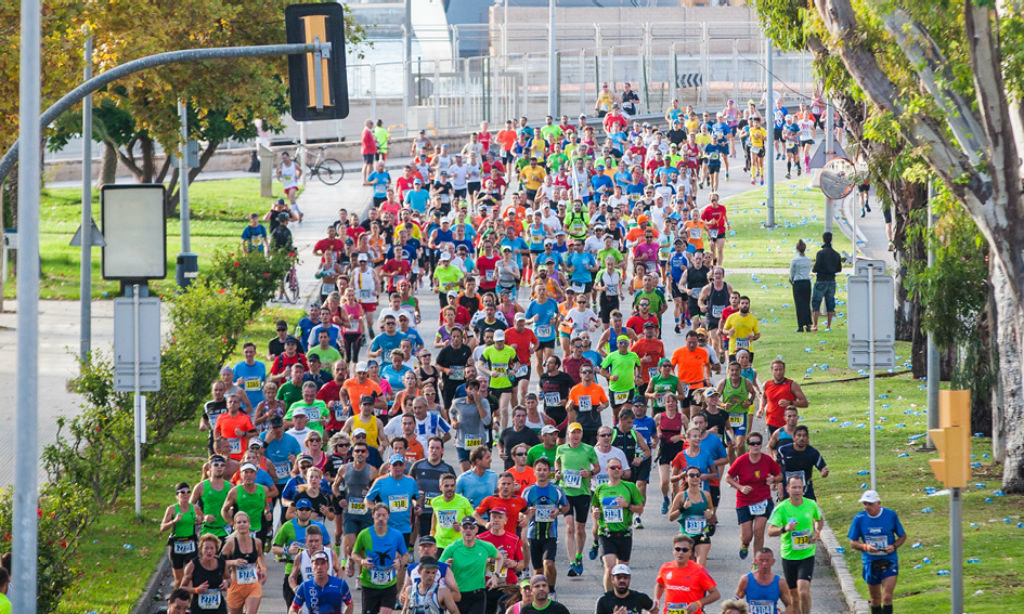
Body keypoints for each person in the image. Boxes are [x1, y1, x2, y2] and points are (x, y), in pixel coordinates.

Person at [766, 476, 825, 614]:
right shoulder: (781, 508)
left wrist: (817, 532)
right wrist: (784, 529)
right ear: (787, 489)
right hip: (789, 555)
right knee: (794, 595)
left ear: (803, 489)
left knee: (803, 591)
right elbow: (770, 531)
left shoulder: (811, 504)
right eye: (794, 487)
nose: (797, 490)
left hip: (807, 554)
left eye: (799, 487)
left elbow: (819, 520)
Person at [847, 490, 907, 614]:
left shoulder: (890, 515)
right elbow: (852, 542)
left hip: (889, 560)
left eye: (870, 504)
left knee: (887, 596)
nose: (867, 507)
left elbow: (902, 536)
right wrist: (865, 547)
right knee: (875, 599)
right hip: (870, 561)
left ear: (878, 503)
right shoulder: (859, 518)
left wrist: (894, 546)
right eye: (865, 504)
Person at [591, 456, 644, 592]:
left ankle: (620, 597)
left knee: (622, 572)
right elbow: (595, 506)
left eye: (618, 467)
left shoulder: (630, 487)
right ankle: (607, 598)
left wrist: (627, 505)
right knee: (609, 568)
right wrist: (595, 512)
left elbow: (640, 508)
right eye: (612, 468)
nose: (616, 470)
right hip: (606, 533)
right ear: (607, 470)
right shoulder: (600, 488)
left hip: (624, 533)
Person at [555, 422, 601, 577]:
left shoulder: (588, 449)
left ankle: (579, 556)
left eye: (578, 433)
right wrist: (557, 471)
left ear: (581, 434)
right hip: (566, 491)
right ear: (568, 434)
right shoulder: (561, 448)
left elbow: (597, 468)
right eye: (573, 433)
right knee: (569, 527)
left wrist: (589, 473)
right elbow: (557, 461)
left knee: (580, 529)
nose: (575, 436)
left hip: (582, 492)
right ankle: (572, 562)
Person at [724, 432, 780, 560]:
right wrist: (740, 487)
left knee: (759, 532)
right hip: (745, 501)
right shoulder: (741, 460)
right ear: (748, 445)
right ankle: (744, 544)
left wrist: (773, 479)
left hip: (763, 499)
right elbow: (728, 477)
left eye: (758, 443)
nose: (755, 446)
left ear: (761, 445)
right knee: (747, 536)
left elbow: (779, 475)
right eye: (752, 443)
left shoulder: (767, 460)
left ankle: (757, 561)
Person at [352, 504, 409, 614]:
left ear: (388, 516)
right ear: (373, 515)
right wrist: (362, 561)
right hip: (369, 585)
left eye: (384, 515)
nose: (381, 518)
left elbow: (406, 555)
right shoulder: (364, 534)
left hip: (389, 585)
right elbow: (354, 554)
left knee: (385, 612)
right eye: (378, 515)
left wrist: (400, 562)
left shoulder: (396, 535)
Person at [441, 516, 503, 614]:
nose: (468, 530)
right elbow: (438, 569)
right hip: (458, 595)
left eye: (471, 527)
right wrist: (446, 566)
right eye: (465, 527)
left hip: (477, 594)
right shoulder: (452, 548)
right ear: (461, 529)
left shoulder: (486, 546)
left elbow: (499, 558)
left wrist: (495, 575)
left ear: (477, 529)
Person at [653, 535, 720, 614]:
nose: (680, 553)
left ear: (690, 553)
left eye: (685, 550)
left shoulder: (699, 571)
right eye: (677, 549)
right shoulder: (665, 568)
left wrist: (698, 604)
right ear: (673, 551)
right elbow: (660, 585)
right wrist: (656, 599)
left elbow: (716, 594)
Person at [478, 507, 526, 614]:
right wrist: (488, 561)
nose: (496, 520)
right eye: (494, 517)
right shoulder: (480, 539)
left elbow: (522, 565)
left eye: (500, 517)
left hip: (508, 584)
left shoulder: (514, 539)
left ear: (505, 520)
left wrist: (514, 564)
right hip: (487, 585)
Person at [668, 465, 716, 568]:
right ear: (686, 478)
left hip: (702, 533)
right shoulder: (681, 496)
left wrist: (710, 513)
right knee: (687, 566)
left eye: (697, 475)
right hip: (686, 534)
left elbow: (711, 509)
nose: (695, 478)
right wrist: (683, 508)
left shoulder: (706, 495)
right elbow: (671, 517)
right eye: (692, 475)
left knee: (700, 566)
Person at [221, 511, 266, 614]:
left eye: (244, 522)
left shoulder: (257, 542)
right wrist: (233, 562)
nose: (242, 524)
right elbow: (219, 562)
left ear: (249, 524)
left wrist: (263, 569)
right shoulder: (230, 544)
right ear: (235, 525)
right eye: (239, 522)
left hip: (253, 585)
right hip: (235, 585)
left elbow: (260, 555)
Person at [160, 482, 199, 589]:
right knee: (179, 579)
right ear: (177, 495)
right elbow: (162, 528)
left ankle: (189, 603)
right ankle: (176, 600)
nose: (185, 494)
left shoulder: (194, 508)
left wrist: (200, 520)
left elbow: (202, 519)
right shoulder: (172, 509)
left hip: (191, 544)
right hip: (176, 545)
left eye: (188, 492)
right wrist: (174, 521)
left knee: (190, 577)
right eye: (182, 492)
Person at [288, 551, 353, 614]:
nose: (319, 567)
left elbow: (350, 604)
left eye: (322, 563)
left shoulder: (340, 584)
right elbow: (293, 608)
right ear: (312, 567)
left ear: (328, 565)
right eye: (316, 563)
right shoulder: (305, 587)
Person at [776, 425, 830, 500]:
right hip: (787, 490)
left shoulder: (813, 453)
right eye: (799, 435)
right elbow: (777, 469)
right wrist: (779, 485)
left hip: (806, 490)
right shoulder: (783, 451)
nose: (802, 438)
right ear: (794, 437)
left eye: (804, 436)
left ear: (807, 438)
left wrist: (824, 472)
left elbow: (822, 468)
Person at [733, 547, 792, 614]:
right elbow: (735, 602)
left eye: (767, 560)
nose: (764, 564)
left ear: (773, 562)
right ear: (755, 561)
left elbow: (790, 606)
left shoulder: (780, 582)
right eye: (761, 560)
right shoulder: (746, 579)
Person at [758, 360, 809, 435]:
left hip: (788, 424)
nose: (778, 372)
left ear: (784, 370)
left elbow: (805, 403)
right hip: (771, 422)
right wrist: (761, 408)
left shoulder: (792, 385)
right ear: (771, 371)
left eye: (780, 369)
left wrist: (790, 403)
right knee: (772, 446)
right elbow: (764, 397)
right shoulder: (767, 384)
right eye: (776, 370)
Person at [181, 534, 228, 614]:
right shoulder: (192, 565)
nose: (209, 551)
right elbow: (182, 587)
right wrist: (196, 590)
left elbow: (228, 578)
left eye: (212, 548)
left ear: (216, 549)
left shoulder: (221, 563)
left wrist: (226, 583)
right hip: (199, 608)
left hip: (218, 607)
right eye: (206, 548)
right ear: (201, 550)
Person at [810, 232, 842, 332]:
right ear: (831, 240)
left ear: (823, 240)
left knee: (816, 302)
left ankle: (815, 325)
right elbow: (839, 269)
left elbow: (815, 268)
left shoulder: (820, 253)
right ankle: (828, 325)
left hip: (821, 280)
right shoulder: (836, 254)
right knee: (830, 303)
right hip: (831, 281)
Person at [789, 239, 813, 333]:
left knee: (799, 304)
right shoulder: (808, 260)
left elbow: (792, 273)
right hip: (807, 282)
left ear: (797, 249)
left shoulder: (794, 260)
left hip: (798, 282)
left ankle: (800, 325)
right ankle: (808, 324)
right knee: (807, 303)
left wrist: (791, 280)